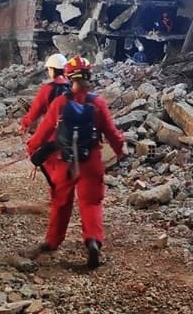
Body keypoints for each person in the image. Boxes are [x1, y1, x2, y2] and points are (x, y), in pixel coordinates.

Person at [24, 56, 126, 269]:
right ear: (89, 76)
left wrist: (32, 149)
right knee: (91, 202)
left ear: (70, 77)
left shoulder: (60, 103)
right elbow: (111, 132)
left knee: (61, 202)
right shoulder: (98, 103)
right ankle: (93, 241)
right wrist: (120, 150)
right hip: (91, 160)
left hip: (65, 161)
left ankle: (52, 241)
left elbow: (43, 132)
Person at [19, 53, 69, 134]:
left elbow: (35, 111)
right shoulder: (72, 87)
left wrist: (24, 124)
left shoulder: (48, 88)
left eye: (49, 69)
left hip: (52, 132)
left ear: (52, 69)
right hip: (71, 132)